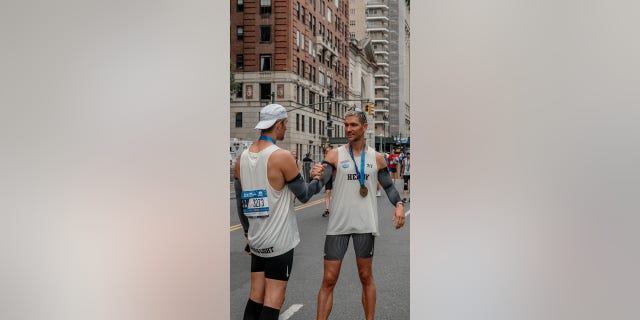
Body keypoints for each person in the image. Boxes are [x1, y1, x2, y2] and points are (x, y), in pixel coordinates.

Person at [233, 104, 326, 320]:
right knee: (274, 299)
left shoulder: (242, 158)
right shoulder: (282, 157)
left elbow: (241, 204)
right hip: (279, 241)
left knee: (256, 295)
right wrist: (316, 178)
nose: (286, 128)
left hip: (257, 240)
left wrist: (248, 235)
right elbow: (304, 195)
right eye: (285, 124)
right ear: (278, 124)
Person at [316, 109, 406, 320]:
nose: (348, 129)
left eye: (353, 125)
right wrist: (315, 176)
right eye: (346, 125)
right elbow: (320, 181)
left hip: (365, 225)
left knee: (366, 277)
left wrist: (400, 204)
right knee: (328, 279)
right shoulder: (334, 155)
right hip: (338, 226)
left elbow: (389, 188)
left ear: (365, 128)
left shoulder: (377, 158)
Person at [321, 146, 333, 217]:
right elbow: (321, 171)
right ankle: (327, 209)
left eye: (329, 152)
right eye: (326, 152)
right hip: (328, 178)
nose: (328, 153)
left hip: (335, 178)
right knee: (328, 192)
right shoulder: (323, 161)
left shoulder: (335, 160)